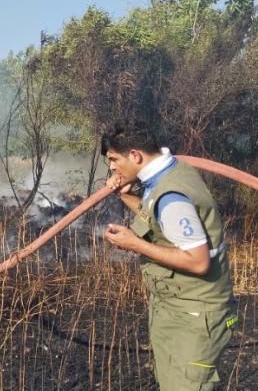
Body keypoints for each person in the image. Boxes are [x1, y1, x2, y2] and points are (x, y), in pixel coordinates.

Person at [101, 119, 237, 391]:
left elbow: (198, 262)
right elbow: (161, 222)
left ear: (135, 155)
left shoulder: (171, 196)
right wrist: (126, 197)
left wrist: (134, 244)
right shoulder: (168, 172)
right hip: (175, 306)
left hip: (195, 314)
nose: (111, 167)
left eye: (114, 159)